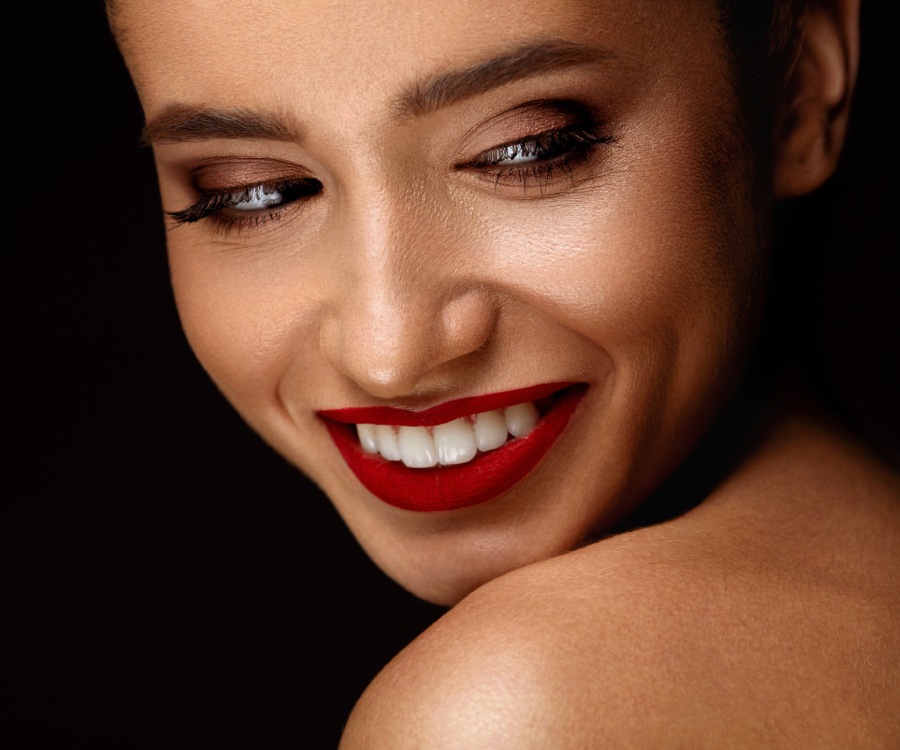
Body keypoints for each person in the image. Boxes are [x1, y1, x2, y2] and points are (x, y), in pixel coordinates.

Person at [103, 0, 899, 745]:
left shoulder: (523, 709)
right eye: (252, 193)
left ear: (798, 87)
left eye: (527, 150)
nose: (390, 352)